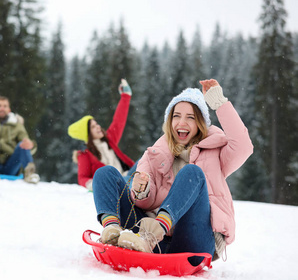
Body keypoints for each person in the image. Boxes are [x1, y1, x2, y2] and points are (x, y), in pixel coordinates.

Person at [92, 79, 253, 263]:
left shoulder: (216, 153)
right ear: (169, 121)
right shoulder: (155, 153)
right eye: (176, 116)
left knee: (192, 173)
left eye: (191, 117)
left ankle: (155, 231)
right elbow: (144, 202)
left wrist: (220, 103)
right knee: (106, 174)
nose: (181, 122)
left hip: (193, 241)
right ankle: (112, 231)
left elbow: (243, 147)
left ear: (201, 123)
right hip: (145, 238)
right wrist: (140, 190)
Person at [68, 79, 137, 192]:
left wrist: (126, 96)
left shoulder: (109, 139)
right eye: (93, 127)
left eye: (97, 124)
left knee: (145, 160)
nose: (98, 127)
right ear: (87, 134)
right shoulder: (85, 154)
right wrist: (93, 185)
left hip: (128, 176)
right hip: (114, 183)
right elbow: (82, 178)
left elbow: (119, 121)